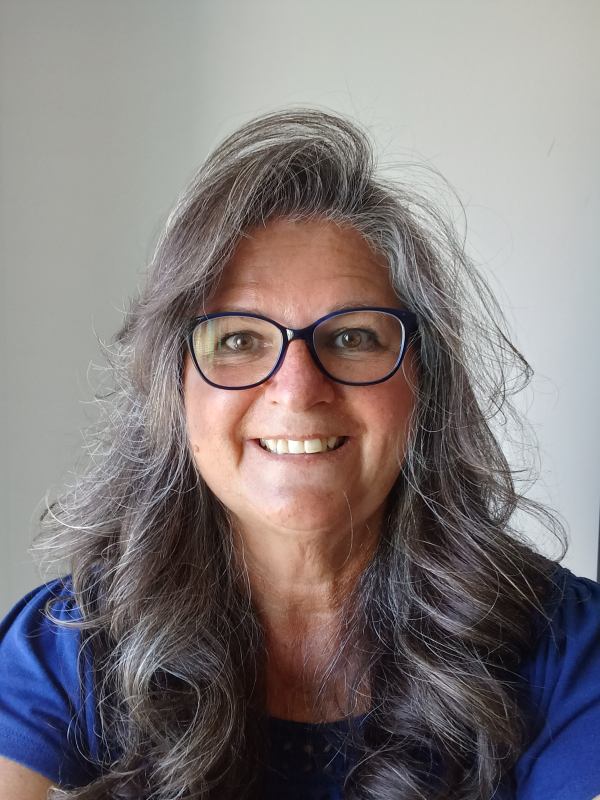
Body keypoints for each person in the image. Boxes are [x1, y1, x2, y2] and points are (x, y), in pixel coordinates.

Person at [0, 109, 599, 800]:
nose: (298, 389)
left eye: (352, 338)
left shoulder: (566, 651)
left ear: (422, 382)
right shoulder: (68, 645)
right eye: (237, 340)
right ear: (173, 386)